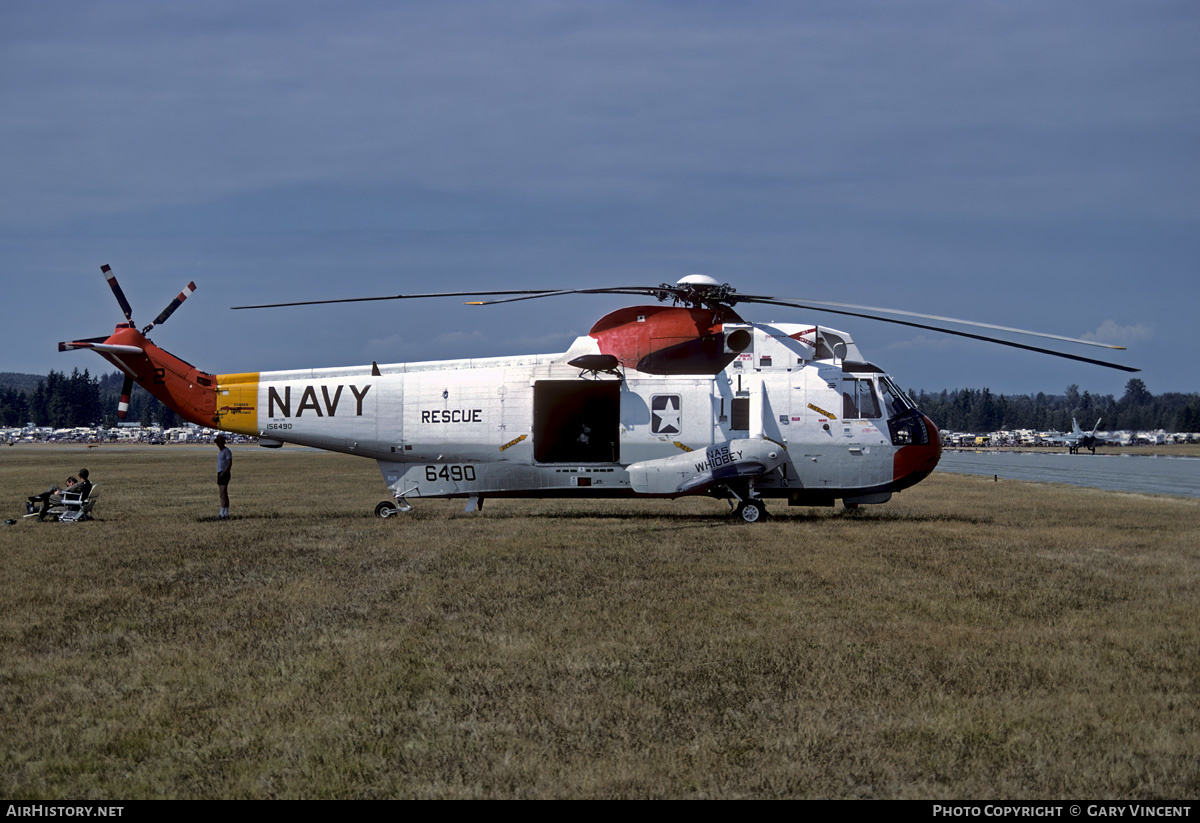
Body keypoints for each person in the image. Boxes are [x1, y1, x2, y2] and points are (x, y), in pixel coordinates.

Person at [215, 435, 232, 520]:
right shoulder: (221, 452)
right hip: (220, 472)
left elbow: (229, 463)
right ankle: (225, 513)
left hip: (224, 473)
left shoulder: (226, 451)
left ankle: (222, 513)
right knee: (223, 494)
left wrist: (224, 473)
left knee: (223, 493)